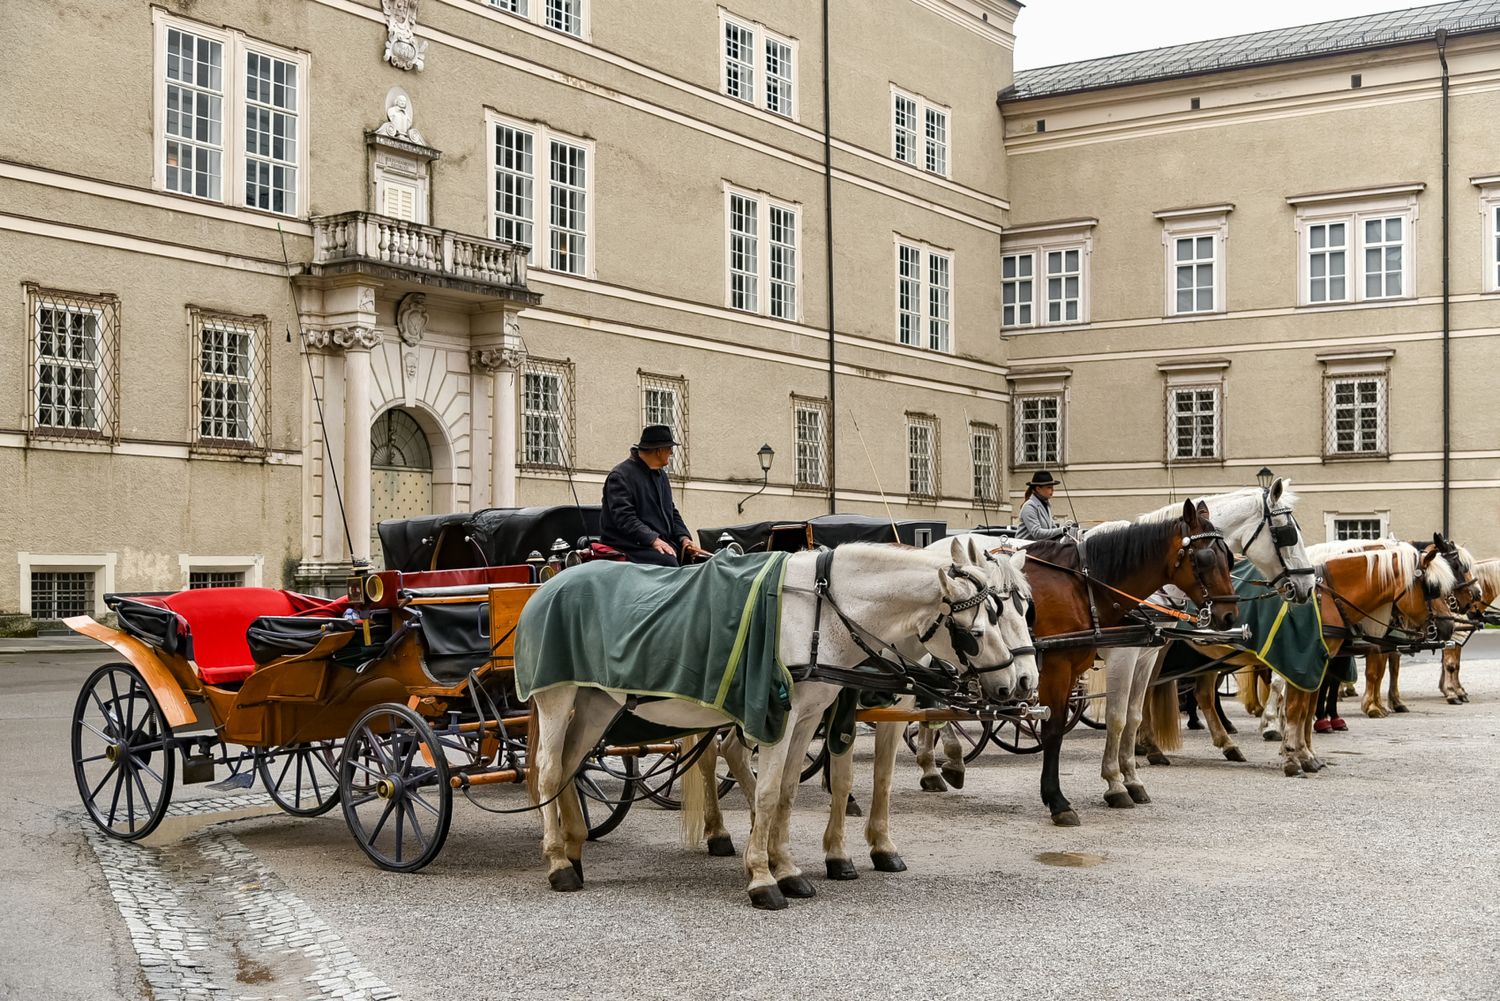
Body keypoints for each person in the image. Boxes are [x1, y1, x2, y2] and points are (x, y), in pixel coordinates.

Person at [599, 425, 710, 567]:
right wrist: (653, 540)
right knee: (668, 562)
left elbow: (672, 512)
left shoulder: (661, 475)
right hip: (630, 545)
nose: (671, 452)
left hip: (656, 543)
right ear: (659, 450)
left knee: (698, 562)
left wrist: (684, 538)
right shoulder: (620, 476)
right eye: (669, 448)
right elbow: (625, 519)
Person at [1016, 470, 1072, 542]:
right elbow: (1037, 533)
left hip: (1041, 548)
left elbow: (1052, 529)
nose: (1052, 490)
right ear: (1038, 489)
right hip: (1024, 548)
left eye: (1052, 487)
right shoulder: (1029, 506)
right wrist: (1062, 530)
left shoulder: (1046, 505)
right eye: (1049, 487)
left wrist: (1066, 531)